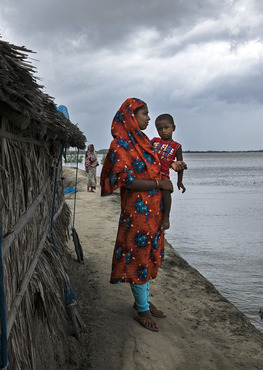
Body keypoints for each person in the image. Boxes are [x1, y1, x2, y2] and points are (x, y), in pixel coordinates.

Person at [100, 98, 187, 332]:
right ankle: (142, 310)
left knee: (147, 256)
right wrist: (160, 183)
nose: (149, 118)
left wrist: (175, 169)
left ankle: (144, 301)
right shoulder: (120, 146)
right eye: (145, 114)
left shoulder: (145, 143)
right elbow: (127, 181)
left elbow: (162, 165)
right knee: (138, 257)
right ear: (131, 116)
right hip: (137, 213)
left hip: (153, 211)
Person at [151, 113, 187, 230]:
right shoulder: (154, 141)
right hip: (151, 174)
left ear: (173, 128)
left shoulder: (177, 146)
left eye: (166, 128)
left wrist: (179, 182)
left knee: (166, 193)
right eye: (159, 129)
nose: (163, 131)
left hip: (164, 175)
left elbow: (180, 166)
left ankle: (166, 218)